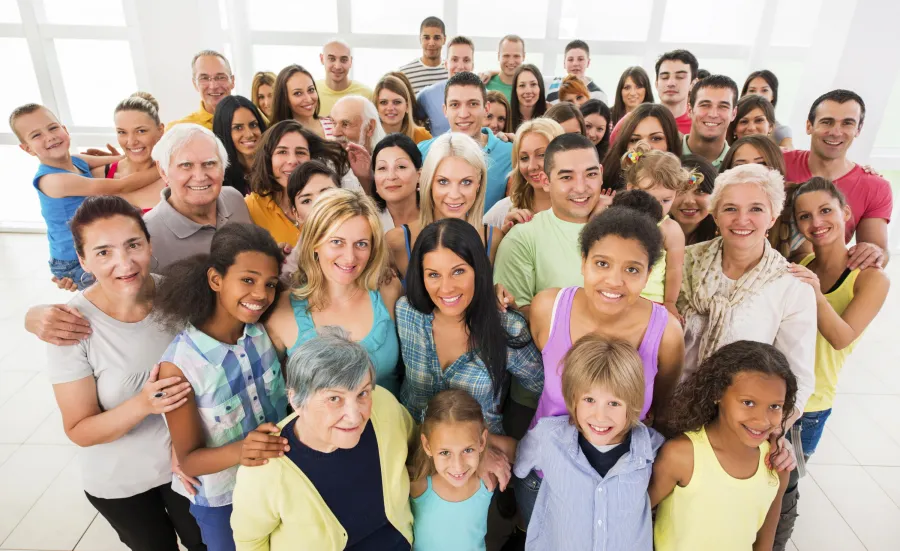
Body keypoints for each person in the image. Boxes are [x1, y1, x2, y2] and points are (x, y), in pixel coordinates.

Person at [45, 196, 204, 551]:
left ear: (149, 244)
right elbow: (80, 430)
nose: (124, 262)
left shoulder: (178, 295)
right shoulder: (69, 327)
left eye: (133, 244)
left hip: (187, 466)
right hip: (120, 483)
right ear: (83, 260)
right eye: (103, 252)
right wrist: (144, 404)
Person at [520, 206, 684, 524]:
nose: (614, 281)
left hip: (616, 480)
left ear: (649, 274)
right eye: (602, 263)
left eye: (632, 269)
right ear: (583, 262)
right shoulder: (548, 308)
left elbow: (660, 410)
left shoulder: (665, 332)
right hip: (546, 473)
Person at [154, 223, 291, 551]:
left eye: (269, 284)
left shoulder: (262, 333)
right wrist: (242, 450)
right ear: (216, 279)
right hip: (224, 501)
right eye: (247, 280)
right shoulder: (179, 365)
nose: (260, 294)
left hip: (278, 479)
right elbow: (187, 460)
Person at [230, 329, 415, 550]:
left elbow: (416, 452)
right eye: (334, 398)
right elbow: (250, 543)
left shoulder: (385, 406)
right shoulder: (265, 469)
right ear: (296, 401)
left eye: (362, 393)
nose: (355, 415)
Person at [677, 163, 816, 439]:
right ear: (715, 215)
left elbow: (797, 378)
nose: (742, 219)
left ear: (773, 216)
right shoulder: (683, 262)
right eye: (730, 208)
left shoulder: (791, 286)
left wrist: (770, 436)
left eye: (756, 209)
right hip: (668, 412)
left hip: (740, 429)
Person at [397, 217, 543, 444]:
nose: (446, 287)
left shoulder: (506, 326)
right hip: (414, 449)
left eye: (458, 271)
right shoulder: (407, 313)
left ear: (478, 269)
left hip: (480, 457)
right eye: (433, 274)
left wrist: (516, 444)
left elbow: (547, 387)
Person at [515, 335, 664, 550]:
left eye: (614, 403)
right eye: (589, 400)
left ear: (632, 404)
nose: (600, 416)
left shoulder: (651, 448)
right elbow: (521, 469)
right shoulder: (547, 437)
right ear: (573, 398)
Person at [650, 341, 795, 551]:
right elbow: (634, 519)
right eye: (748, 403)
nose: (762, 420)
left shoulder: (776, 465)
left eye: (775, 406)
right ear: (717, 394)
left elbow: (765, 540)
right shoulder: (681, 456)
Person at [265, 188, 404, 396]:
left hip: (390, 425)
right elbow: (272, 394)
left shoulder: (388, 290)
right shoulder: (281, 311)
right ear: (314, 243)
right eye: (337, 242)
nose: (350, 257)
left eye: (361, 244)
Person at [788, 177, 889, 457]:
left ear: (845, 212)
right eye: (805, 216)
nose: (816, 222)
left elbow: (841, 338)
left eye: (826, 211)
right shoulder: (801, 263)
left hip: (810, 405)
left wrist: (815, 292)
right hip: (775, 396)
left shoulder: (871, 278)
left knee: (787, 490)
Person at [11, 103, 160, 289]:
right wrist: (163, 169)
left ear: (65, 130)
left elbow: (124, 159)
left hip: (92, 246)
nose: (49, 137)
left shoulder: (77, 161)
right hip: (72, 260)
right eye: (36, 135)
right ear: (27, 149)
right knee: (116, 294)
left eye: (53, 128)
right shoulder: (52, 180)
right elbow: (120, 186)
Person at [494, 133, 605, 316]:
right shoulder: (522, 238)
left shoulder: (626, 231)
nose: (580, 187)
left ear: (601, 174)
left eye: (591, 174)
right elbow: (516, 317)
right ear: (546, 181)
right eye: (567, 177)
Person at [783, 89, 892, 269]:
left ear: (858, 129)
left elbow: (879, 251)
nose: (836, 132)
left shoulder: (875, 186)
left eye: (847, 123)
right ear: (809, 126)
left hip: (822, 280)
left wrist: (874, 251)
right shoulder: (779, 162)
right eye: (827, 122)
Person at [387, 132, 503, 279]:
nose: (454, 194)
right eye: (443, 182)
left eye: (466, 182)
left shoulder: (494, 240)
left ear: (479, 184)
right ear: (428, 182)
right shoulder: (396, 242)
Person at [144, 123, 252, 271]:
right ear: (163, 171)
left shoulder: (234, 199)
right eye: (186, 165)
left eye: (209, 163)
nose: (200, 177)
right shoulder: (146, 235)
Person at [417, 71, 514, 213]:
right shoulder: (423, 151)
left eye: (473, 104)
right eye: (455, 105)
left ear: (486, 108)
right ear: (445, 110)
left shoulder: (509, 153)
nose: (463, 114)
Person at [410, 390, 494, 551]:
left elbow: (521, 449)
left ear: (482, 441)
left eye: (468, 450)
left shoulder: (488, 481)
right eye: (445, 453)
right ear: (427, 446)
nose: (458, 466)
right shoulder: (416, 485)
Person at [244, 121, 344, 245]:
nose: (292, 161)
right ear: (268, 159)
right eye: (282, 152)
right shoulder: (251, 207)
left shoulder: (332, 197)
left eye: (300, 152)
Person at [620, 145, 689, 316]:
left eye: (666, 200)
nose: (657, 207)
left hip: (652, 302)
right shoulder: (617, 218)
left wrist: (670, 302)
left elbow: (674, 268)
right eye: (649, 197)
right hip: (618, 294)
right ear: (631, 189)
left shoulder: (670, 230)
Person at [719, 135, 810, 261]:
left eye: (761, 164)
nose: (752, 172)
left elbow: (807, 258)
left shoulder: (795, 203)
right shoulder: (715, 204)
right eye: (740, 166)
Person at [483, 118, 565, 229]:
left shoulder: (583, 205)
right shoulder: (503, 210)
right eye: (524, 158)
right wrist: (501, 237)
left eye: (541, 155)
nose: (532, 166)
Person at [107, 92, 168, 211]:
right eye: (122, 132)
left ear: (160, 130)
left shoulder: (176, 178)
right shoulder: (99, 175)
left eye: (141, 131)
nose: (131, 142)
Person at [602, 103, 682, 191]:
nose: (645, 146)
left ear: (670, 143)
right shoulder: (605, 189)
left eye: (656, 138)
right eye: (635, 140)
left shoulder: (684, 186)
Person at [416, 35, 476, 137]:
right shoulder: (427, 96)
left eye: (466, 60)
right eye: (454, 59)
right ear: (446, 64)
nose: (460, 66)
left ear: (473, 65)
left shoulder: (486, 96)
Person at [212, 95, 267, 196]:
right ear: (224, 132)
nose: (249, 134)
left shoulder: (276, 167)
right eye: (238, 128)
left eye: (253, 125)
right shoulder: (219, 179)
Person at [167, 50, 234, 131]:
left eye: (220, 77)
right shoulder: (178, 130)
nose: (213, 86)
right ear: (195, 84)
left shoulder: (250, 121)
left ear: (232, 81)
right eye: (204, 78)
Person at [682, 75, 738, 169]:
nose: (713, 114)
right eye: (705, 105)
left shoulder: (738, 162)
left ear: (734, 113)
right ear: (689, 110)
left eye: (723, 106)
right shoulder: (668, 153)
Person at [372, 133, 422, 232]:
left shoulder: (437, 217)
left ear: (419, 175)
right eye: (382, 168)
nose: (391, 177)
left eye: (401, 167)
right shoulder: (368, 222)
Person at [269, 64, 333, 139]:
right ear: (284, 99)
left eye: (311, 90)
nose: (309, 99)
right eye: (298, 93)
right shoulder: (278, 137)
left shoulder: (334, 125)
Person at [316, 40, 374, 117]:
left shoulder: (367, 95)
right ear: (322, 59)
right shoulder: (311, 92)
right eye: (332, 59)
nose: (337, 66)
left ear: (350, 61)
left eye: (343, 60)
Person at [673, 155, 718, 245]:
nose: (689, 201)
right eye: (680, 190)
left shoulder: (724, 236)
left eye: (700, 191)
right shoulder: (649, 233)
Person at [545, 40, 608, 105]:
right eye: (570, 59)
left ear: (588, 62)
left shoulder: (598, 95)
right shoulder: (549, 83)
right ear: (564, 63)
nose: (575, 63)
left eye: (580, 59)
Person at [742, 69, 793, 149]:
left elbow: (789, 153)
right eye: (752, 90)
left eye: (764, 90)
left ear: (773, 96)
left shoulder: (781, 131)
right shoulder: (730, 119)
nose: (757, 94)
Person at [374, 75, 432, 143]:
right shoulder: (368, 136)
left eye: (397, 102)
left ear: (407, 107)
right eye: (383, 102)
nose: (390, 108)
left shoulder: (422, 136)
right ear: (376, 106)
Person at [398, 16, 449, 93]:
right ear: (420, 39)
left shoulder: (451, 72)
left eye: (437, 38)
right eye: (426, 38)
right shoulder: (404, 74)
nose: (431, 43)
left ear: (444, 40)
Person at [654, 49, 699, 135]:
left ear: (693, 84)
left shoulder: (700, 126)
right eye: (664, 77)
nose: (670, 83)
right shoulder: (632, 121)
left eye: (680, 77)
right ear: (656, 83)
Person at [485, 35, 526, 100]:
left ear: (523, 56)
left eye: (516, 56)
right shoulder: (485, 84)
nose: (511, 62)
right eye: (506, 56)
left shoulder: (529, 88)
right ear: (499, 56)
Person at [510, 64, 548, 131]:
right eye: (522, 85)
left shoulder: (551, 114)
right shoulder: (506, 114)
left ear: (540, 87)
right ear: (515, 90)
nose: (528, 91)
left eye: (533, 84)